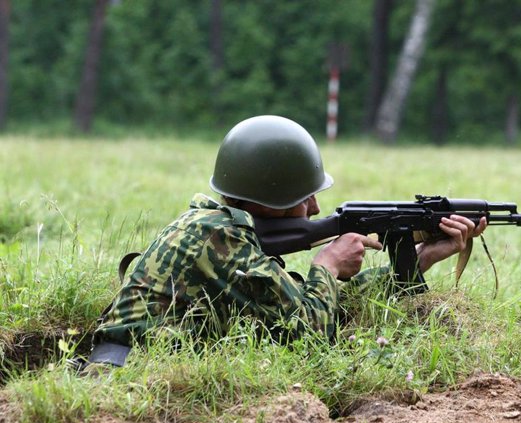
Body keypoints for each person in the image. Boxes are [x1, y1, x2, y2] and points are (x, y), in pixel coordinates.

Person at [89, 115, 487, 366]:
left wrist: (420, 259)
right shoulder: (219, 239)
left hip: (141, 368)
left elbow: (315, 305)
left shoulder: (217, 228)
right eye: (304, 196)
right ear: (272, 202)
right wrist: (327, 265)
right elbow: (309, 335)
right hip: (129, 376)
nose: (315, 207)